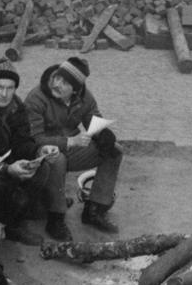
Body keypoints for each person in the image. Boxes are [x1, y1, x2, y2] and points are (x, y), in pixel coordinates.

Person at [0, 58, 71, 243]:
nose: (4, 94)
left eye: (10, 88)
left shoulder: (17, 107)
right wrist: (5, 168)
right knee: (1, 182)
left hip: (10, 166)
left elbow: (23, 143)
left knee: (45, 166)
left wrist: (40, 150)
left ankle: (28, 209)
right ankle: (12, 225)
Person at [24, 56, 122, 233]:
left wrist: (104, 133)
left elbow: (93, 119)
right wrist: (69, 141)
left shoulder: (85, 98)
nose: (57, 84)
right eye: (57, 78)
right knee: (57, 159)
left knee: (114, 150)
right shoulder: (36, 98)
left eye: (65, 83)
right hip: (40, 152)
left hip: (71, 148)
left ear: (76, 90)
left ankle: (94, 209)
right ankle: (55, 218)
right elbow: (33, 138)